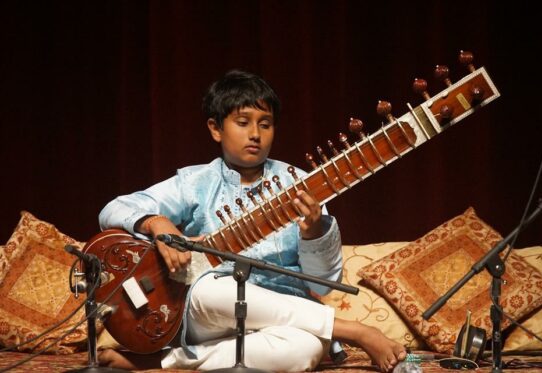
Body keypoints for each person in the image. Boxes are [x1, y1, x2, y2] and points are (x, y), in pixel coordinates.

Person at [97, 69, 407, 372]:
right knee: (215, 289)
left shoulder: (301, 184)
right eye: (243, 123)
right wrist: (157, 224)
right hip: (212, 314)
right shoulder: (194, 183)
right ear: (216, 128)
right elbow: (113, 209)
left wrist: (313, 231)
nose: (255, 134)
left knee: (306, 351)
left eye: (266, 124)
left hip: (283, 318)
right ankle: (355, 331)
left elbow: (321, 283)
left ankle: (166, 361)